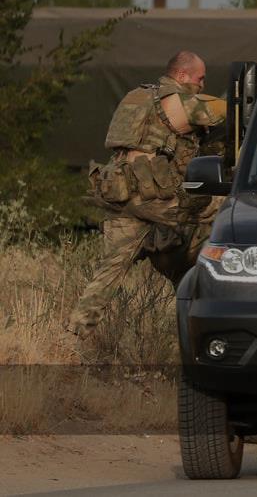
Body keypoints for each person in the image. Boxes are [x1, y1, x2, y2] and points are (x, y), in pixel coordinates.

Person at [69, 51, 226, 347]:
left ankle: (73, 337)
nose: (202, 85)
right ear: (182, 75)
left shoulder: (138, 96)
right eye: (200, 78)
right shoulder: (178, 102)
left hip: (120, 193)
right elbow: (225, 112)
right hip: (153, 195)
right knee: (225, 211)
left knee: (109, 271)